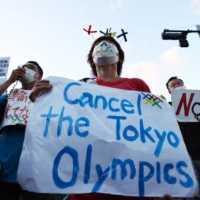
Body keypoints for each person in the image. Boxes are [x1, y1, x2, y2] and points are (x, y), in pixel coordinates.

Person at [30, 37, 183, 200]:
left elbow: (155, 128)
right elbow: (61, 124)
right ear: (91, 59)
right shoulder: (79, 87)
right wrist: (42, 102)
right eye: (98, 46)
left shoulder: (137, 85)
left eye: (110, 44)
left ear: (120, 57)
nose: (103, 47)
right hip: (88, 186)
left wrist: (164, 182)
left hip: (131, 181)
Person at [0, 61, 55, 200]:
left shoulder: (48, 99)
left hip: (36, 172)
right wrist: (9, 81)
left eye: (31, 67)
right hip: (7, 170)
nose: (25, 69)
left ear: (39, 76)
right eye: (23, 66)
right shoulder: (7, 97)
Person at [166, 76, 200, 199]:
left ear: (184, 86)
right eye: (173, 85)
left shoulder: (197, 104)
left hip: (198, 152)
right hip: (180, 156)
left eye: (178, 83)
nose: (176, 86)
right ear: (169, 92)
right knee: (188, 189)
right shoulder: (166, 109)